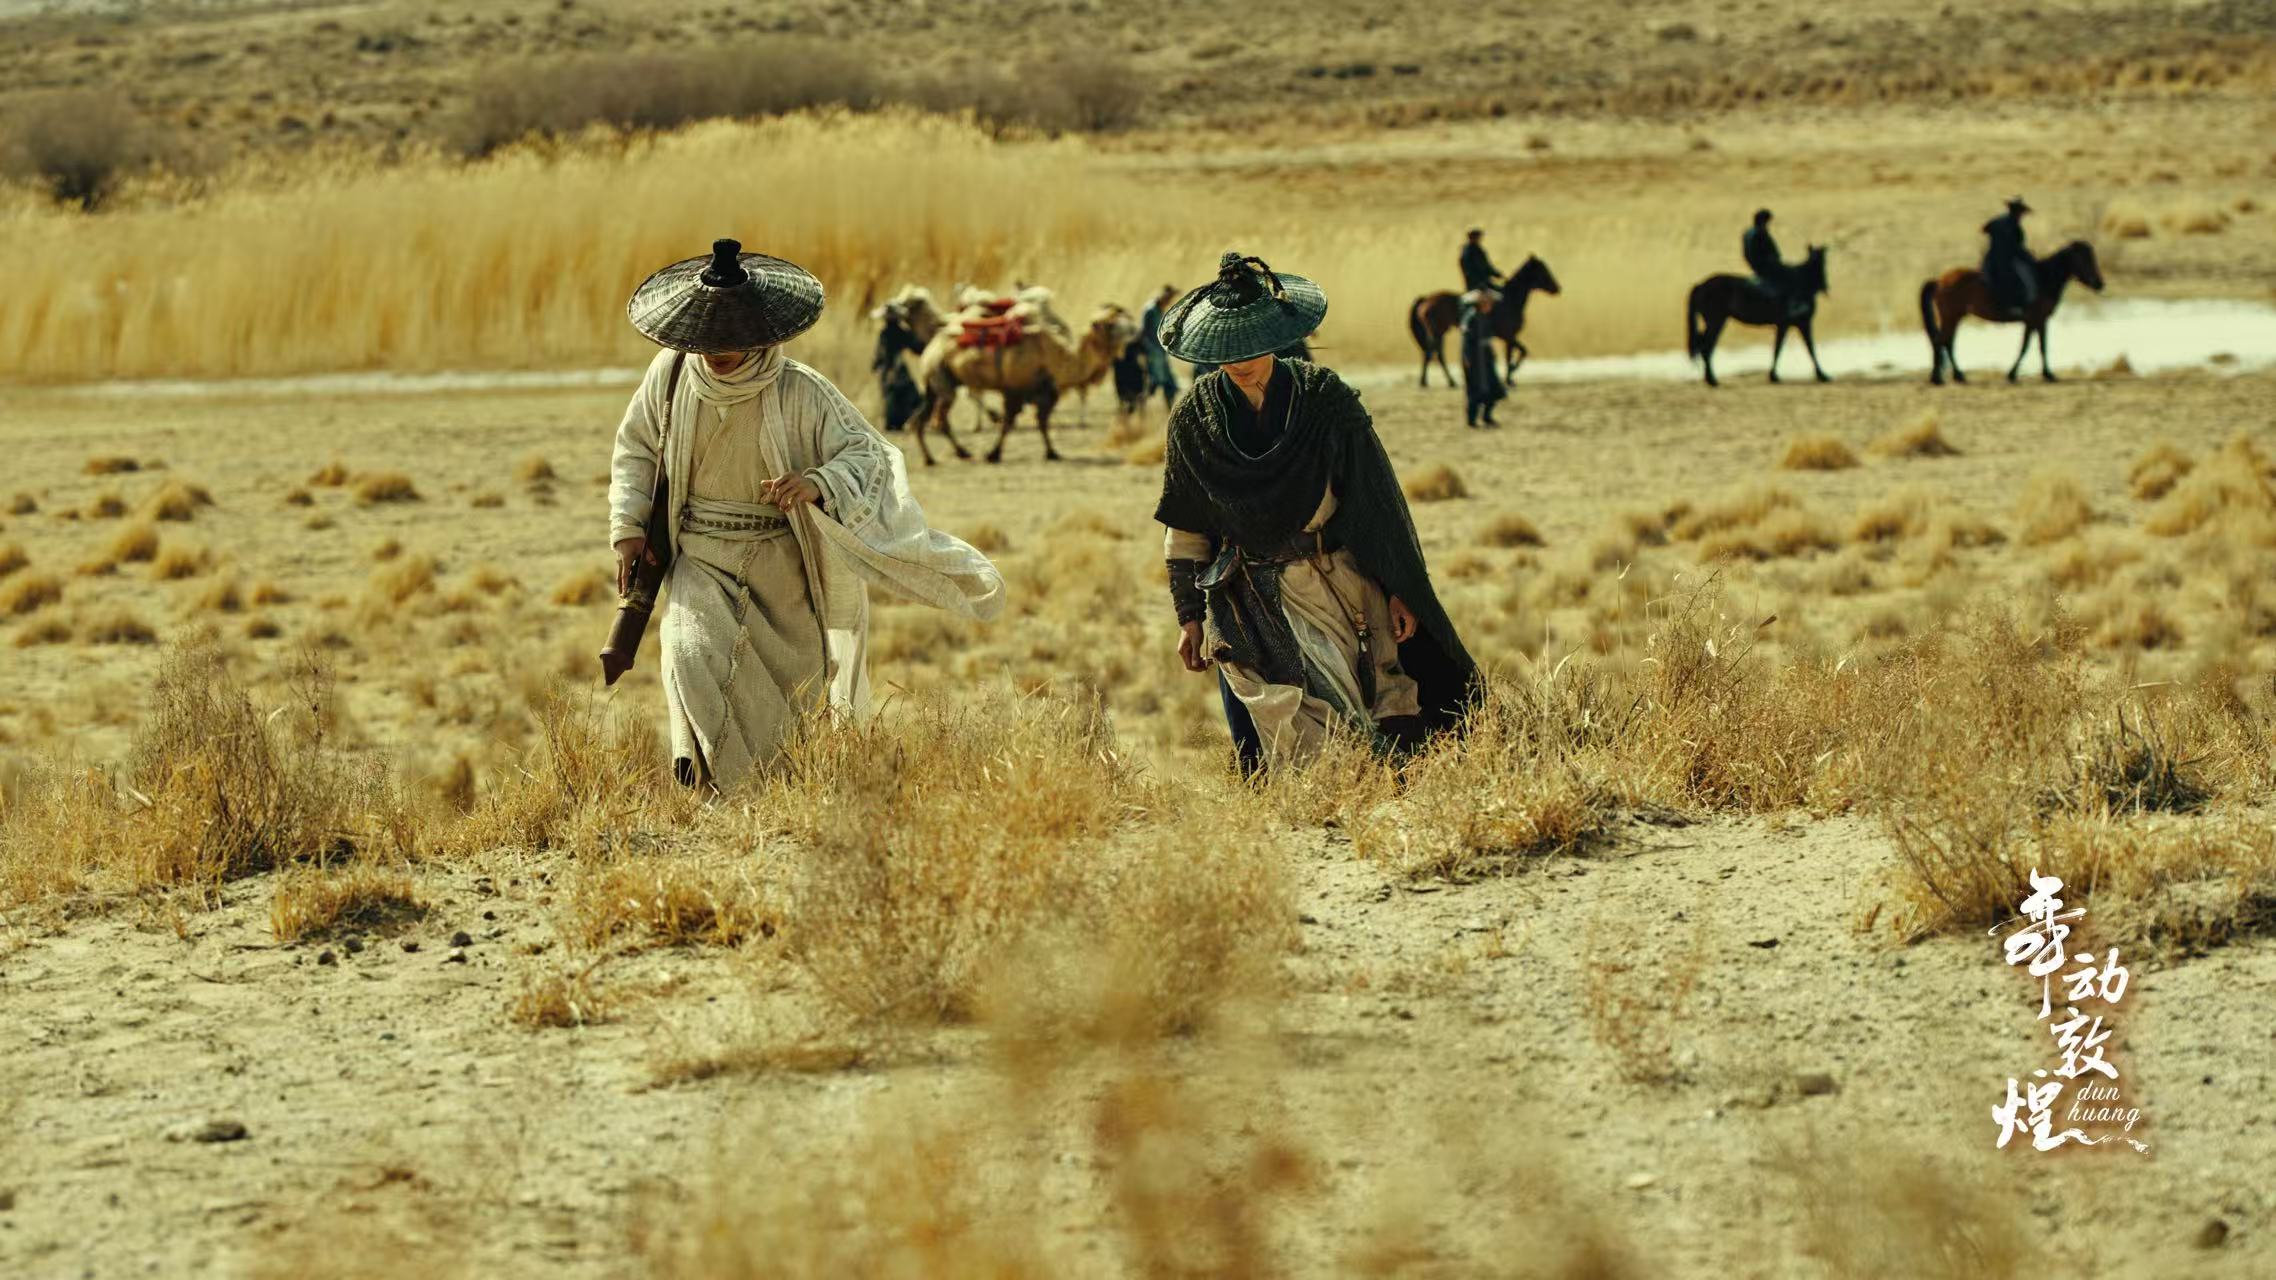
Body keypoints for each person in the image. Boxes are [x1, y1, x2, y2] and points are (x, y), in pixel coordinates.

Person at [610, 238, 1005, 791]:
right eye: (710, 337)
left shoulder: (801, 389)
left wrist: (818, 483)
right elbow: (636, 449)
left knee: (785, 695)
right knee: (689, 654)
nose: (719, 350)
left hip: (780, 564)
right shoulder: (670, 375)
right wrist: (627, 529)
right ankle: (712, 790)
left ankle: (771, 797)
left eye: (732, 337)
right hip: (698, 555)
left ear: (761, 331)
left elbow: (868, 455)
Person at [1155, 252, 1478, 773]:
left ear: (1273, 335)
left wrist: (1401, 588)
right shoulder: (1194, 418)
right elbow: (1187, 527)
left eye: (1251, 344)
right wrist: (1190, 618)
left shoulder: (1324, 399)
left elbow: (1379, 504)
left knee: (1375, 720)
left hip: (1340, 587)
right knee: (1272, 743)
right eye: (1229, 348)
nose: (1241, 360)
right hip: (1248, 600)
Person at [1743, 209, 1808, 319]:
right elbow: (1766, 252)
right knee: (1792, 275)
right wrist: (1773, 261)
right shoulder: (1760, 233)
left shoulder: (1748, 233)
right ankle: (1793, 306)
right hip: (1767, 266)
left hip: (1758, 266)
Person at [1982, 196, 2037, 316]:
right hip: (2006, 259)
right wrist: (2028, 256)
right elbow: (2015, 247)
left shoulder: (1998, 221)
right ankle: (2015, 305)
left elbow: (1984, 229)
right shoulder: (2014, 226)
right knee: (2026, 279)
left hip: (1991, 257)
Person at [1458, 289, 1505, 428]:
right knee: (1475, 389)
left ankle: (1487, 416)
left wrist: (1491, 354)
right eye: (1486, 302)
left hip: (1485, 359)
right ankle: (1471, 420)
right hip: (1475, 359)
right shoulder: (1470, 318)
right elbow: (1466, 341)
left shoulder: (1486, 317)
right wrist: (1467, 358)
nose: (1489, 305)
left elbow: (1487, 338)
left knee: (1493, 389)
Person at [1138, 284, 1180, 408]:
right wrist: (1150, 351)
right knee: (1154, 382)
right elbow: (1145, 333)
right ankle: (1141, 406)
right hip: (1153, 353)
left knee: (1170, 385)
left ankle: (1170, 410)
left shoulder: (1159, 310)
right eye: (1168, 297)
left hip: (1160, 353)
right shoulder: (1150, 310)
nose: (1169, 300)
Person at [1459, 227, 1502, 296]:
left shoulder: (1474, 249)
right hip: (1478, 284)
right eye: (1477, 236)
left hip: (1480, 282)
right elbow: (1481, 266)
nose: (1479, 238)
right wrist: (1494, 274)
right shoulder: (1471, 250)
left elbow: (1486, 266)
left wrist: (1497, 274)